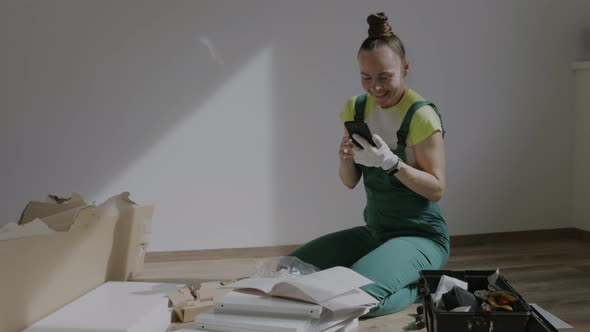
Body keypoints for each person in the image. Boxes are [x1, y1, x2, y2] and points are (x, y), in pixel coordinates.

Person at [289, 12, 450, 317]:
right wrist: (346, 158)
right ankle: (386, 270)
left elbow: (437, 189)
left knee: (351, 299)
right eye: (366, 77)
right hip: (375, 232)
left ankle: (422, 286)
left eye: (384, 76)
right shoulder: (357, 107)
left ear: (405, 68)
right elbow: (349, 181)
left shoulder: (421, 115)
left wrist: (391, 163)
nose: (375, 87)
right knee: (291, 271)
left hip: (421, 237)